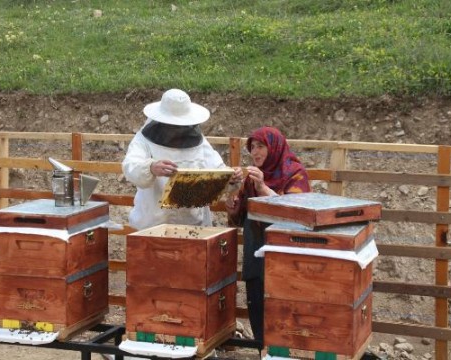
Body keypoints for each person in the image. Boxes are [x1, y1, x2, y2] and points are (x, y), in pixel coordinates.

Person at [225, 126, 311, 343]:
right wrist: (233, 207)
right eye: (252, 147)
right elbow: (239, 219)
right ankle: (262, 350)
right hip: (256, 256)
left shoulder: (295, 173)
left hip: (286, 256)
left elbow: (298, 214)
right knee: (257, 303)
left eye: (260, 146)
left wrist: (263, 188)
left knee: (285, 307)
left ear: (274, 147)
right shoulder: (251, 178)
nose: (255, 152)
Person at [122, 88, 241, 230]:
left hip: (193, 224)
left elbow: (217, 169)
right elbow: (130, 166)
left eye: (180, 126)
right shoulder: (143, 140)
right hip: (152, 223)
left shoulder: (199, 142)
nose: (177, 131)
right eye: (172, 126)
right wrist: (151, 167)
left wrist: (230, 177)